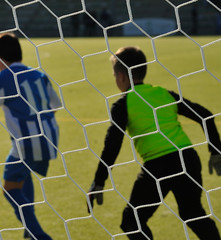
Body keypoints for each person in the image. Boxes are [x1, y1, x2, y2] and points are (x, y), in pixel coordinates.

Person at [87, 46, 221, 240]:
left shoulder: (123, 103)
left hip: (159, 165)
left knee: (131, 221)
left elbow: (112, 145)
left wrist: (99, 181)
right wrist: (215, 151)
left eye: (114, 75)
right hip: (187, 159)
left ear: (122, 77)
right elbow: (206, 116)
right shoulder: (164, 94)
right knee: (193, 214)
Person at [0, 33, 61, 240]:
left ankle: (39, 235)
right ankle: (30, 230)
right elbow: (55, 105)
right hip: (51, 135)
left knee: (9, 188)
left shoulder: (4, 77)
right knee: (22, 176)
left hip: (27, 142)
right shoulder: (39, 75)